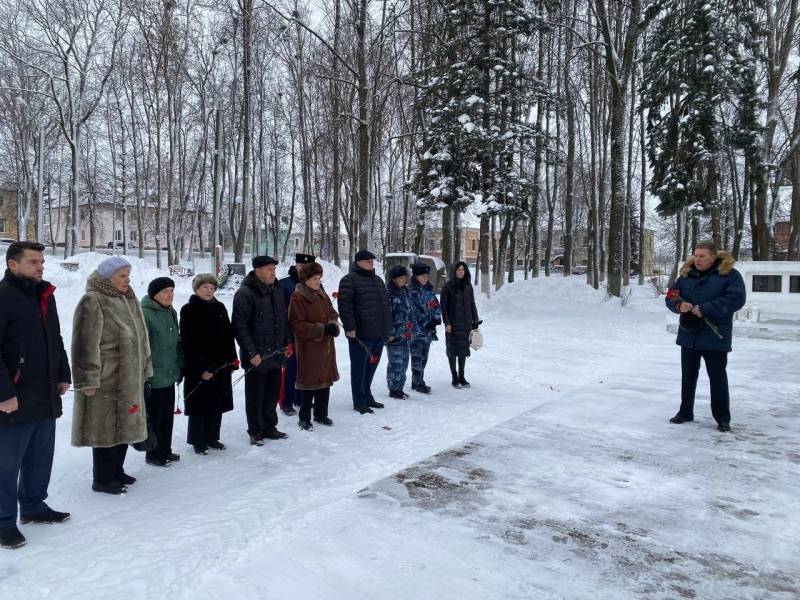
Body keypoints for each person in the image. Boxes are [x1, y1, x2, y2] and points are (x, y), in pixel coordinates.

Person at [0, 241, 71, 549]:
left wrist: (63, 373)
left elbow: (55, 338)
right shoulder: (3, 296)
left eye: (41, 261)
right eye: (33, 262)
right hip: (13, 396)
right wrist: (4, 393)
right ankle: (3, 522)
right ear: (12, 264)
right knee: (6, 464)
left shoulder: (44, 294)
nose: (41, 266)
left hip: (44, 392)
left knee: (39, 456)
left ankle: (33, 506)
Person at [72, 256, 152, 494]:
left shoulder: (128, 298)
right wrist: (87, 378)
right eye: (122, 276)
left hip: (130, 378)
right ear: (107, 278)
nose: (127, 280)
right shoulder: (93, 300)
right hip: (106, 379)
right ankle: (103, 479)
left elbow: (141, 338)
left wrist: (145, 367)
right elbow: (84, 343)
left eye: (128, 275)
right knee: (105, 430)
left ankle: (117, 470)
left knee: (125, 426)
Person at [665, 241, 746, 432]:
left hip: (715, 335)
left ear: (713, 257)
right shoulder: (686, 275)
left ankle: (722, 418)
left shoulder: (729, 274)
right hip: (689, 334)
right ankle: (685, 412)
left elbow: (736, 299)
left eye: (702, 256)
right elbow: (671, 295)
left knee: (717, 378)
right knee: (688, 376)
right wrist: (679, 305)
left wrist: (705, 309)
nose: (697, 259)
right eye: (695, 255)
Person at [232, 255, 290, 445]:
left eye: (274, 269)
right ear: (257, 271)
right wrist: (252, 353)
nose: (273, 273)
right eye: (269, 269)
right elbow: (240, 326)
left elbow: (283, 320)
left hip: (276, 353)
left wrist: (286, 343)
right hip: (256, 355)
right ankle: (256, 430)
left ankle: (270, 426)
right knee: (255, 395)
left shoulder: (277, 290)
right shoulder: (246, 293)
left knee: (272, 393)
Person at [180, 274, 238, 454]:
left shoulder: (220, 307)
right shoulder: (189, 310)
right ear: (196, 289)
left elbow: (228, 335)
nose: (209, 291)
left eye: (212, 288)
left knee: (217, 402)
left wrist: (232, 360)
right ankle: (198, 440)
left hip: (220, 364)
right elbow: (189, 343)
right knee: (200, 403)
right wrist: (202, 368)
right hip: (200, 366)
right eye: (205, 287)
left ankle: (212, 437)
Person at [337, 249, 393, 414]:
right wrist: (350, 328)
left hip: (378, 332)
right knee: (359, 369)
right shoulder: (349, 280)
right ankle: (359, 401)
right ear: (358, 262)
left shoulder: (378, 280)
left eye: (372, 260)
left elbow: (385, 307)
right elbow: (345, 306)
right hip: (361, 333)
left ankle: (367, 396)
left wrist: (388, 329)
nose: (371, 263)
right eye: (368, 261)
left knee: (371, 367)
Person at [288, 262, 340, 430]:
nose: (318, 282)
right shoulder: (298, 297)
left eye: (319, 278)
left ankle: (321, 414)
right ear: (306, 279)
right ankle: (304, 418)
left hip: (326, 347)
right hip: (308, 347)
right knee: (309, 383)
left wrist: (332, 324)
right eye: (315, 278)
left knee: (325, 381)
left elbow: (332, 312)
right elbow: (297, 324)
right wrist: (322, 329)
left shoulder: (322, 294)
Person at [141, 277, 183, 467]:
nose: (170, 295)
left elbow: (176, 343)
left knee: (167, 416)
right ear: (154, 294)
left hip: (169, 373)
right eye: (165, 291)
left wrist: (179, 365)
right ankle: (154, 454)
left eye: (171, 290)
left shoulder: (170, 311)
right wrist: (145, 374)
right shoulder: (145, 313)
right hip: (154, 375)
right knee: (155, 417)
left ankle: (165, 449)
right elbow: (142, 347)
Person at [278, 253, 317, 417]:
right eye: (302, 266)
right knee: (290, 370)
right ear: (296, 265)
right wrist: (285, 336)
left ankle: (301, 398)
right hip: (291, 335)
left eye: (308, 267)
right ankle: (286, 401)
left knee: (306, 369)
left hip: (310, 335)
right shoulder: (284, 284)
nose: (304, 269)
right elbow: (280, 313)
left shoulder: (315, 284)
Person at [440, 261, 480, 389]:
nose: (461, 272)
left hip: (466, 323)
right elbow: (443, 307)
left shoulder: (468, 286)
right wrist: (447, 322)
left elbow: (472, 304)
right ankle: (454, 377)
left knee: (463, 350)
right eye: (458, 270)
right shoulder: (447, 287)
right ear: (454, 271)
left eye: (463, 269)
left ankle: (462, 376)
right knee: (453, 350)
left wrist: (475, 320)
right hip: (452, 325)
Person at [408, 263, 442, 394]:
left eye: (426, 276)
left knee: (424, 358)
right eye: (422, 276)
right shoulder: (411, 291)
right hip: (416, 332)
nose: (425, 278)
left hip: (428, 331)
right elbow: (413, 311)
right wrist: (425, 323)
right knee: (417, 358)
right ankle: (418, 383)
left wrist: (436, 318)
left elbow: (436, 305)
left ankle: (416, 381)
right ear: (416, 276)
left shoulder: (429, 290)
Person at [385, 265, 414, 399]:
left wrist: (412, 327)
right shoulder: (389, 294)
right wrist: (390, 332)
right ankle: (393, 389)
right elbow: (386, 315)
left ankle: (400, 387)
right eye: (401, 278)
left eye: (405, 277)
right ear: (394, 279)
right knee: (395, 363)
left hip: (406, 333)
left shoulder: (405, 291)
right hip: (394, 335)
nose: (404, 280)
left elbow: (410, 311)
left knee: (404, 362)